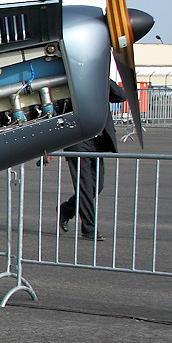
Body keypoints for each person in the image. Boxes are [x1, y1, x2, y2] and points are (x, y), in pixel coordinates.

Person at [57, 79, 127, 240]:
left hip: (98, 140)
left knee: (97, 186)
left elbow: (121, 96)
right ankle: (89, 229)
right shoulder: (73, 82)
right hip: (78, 140)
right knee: (85, 187)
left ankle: (67, 210)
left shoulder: (99, 80)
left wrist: (102, 74)